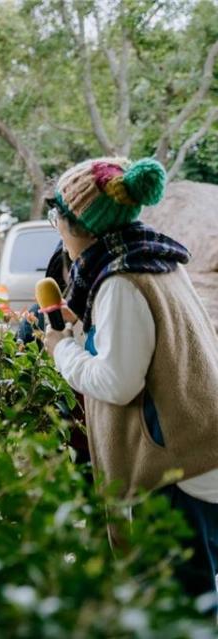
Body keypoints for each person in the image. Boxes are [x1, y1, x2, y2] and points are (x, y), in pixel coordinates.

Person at [42, 157, 218, 603]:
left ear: (79, 224)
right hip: (197, 458)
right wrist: (86, 330)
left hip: (171, 474)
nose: (55, 226)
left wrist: (62, 348)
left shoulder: (121, 279)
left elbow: (119, 382)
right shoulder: (157, 260)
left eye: (56, 215)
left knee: (175, 610)